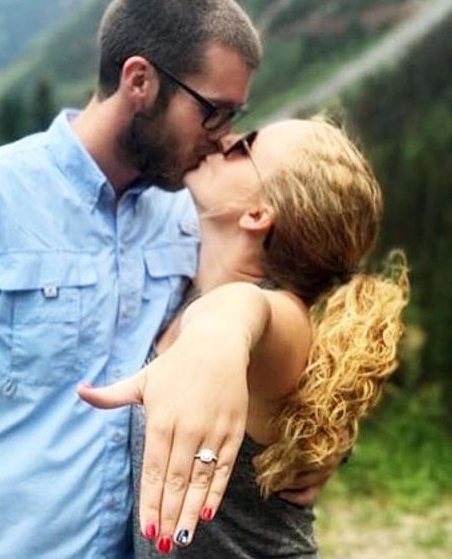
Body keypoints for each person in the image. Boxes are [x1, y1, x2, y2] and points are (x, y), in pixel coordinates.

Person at [0, 0, 332, 559]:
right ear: (139, 81)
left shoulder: (195, 214)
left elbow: (298, 305)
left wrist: (315, 443)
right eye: (212, 112)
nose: (221, 137)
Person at [79, 118, 409, 556]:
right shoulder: (184, 287)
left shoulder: (283, 317)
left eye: (244, 146)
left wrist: (219, 336)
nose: (223, 139)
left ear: (257, 213)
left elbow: (244, 313)